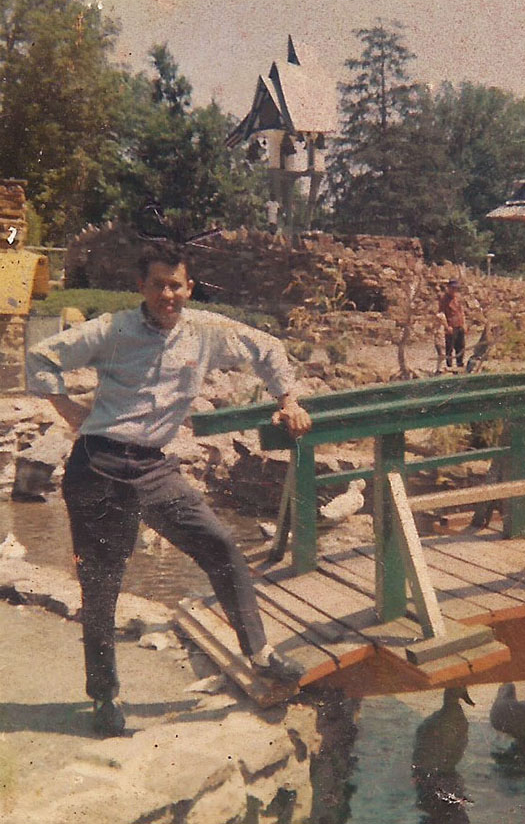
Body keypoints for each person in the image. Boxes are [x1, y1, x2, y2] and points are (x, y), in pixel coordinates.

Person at [26, 241, 312, 737]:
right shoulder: (113, 330)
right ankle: (104, 697)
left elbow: (267, 348)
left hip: (155, 470)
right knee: (101, 587)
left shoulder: (204, 331)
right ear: (142, 287)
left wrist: (288, 397)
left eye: (175, 285)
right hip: (98, 467)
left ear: (189, 287)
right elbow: (42, 355)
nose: (167, 295)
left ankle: (260, 652)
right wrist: (67, 409)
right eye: (157, 284)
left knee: (221, 547)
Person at [438, 279, 467, 368]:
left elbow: (461, 311)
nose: (454, 290)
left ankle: (460, 364)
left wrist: (464, 324)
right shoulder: (444, 299)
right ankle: (449, 366)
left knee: (461, 346)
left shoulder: (457, 298)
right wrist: (447, 327)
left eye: (456, 288)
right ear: (448, 288)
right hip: (451, 326)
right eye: (453, 288)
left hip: (459, 325)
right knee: (449, 348)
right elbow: (441, 314)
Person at [432, 309, 448, 373]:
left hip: (442, 341)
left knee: (443, 355)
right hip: (438, 341)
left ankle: (440, 367)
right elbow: (435, 332)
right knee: (441, 354)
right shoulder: (436, 327)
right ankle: (439, 368)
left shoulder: (442, 326)